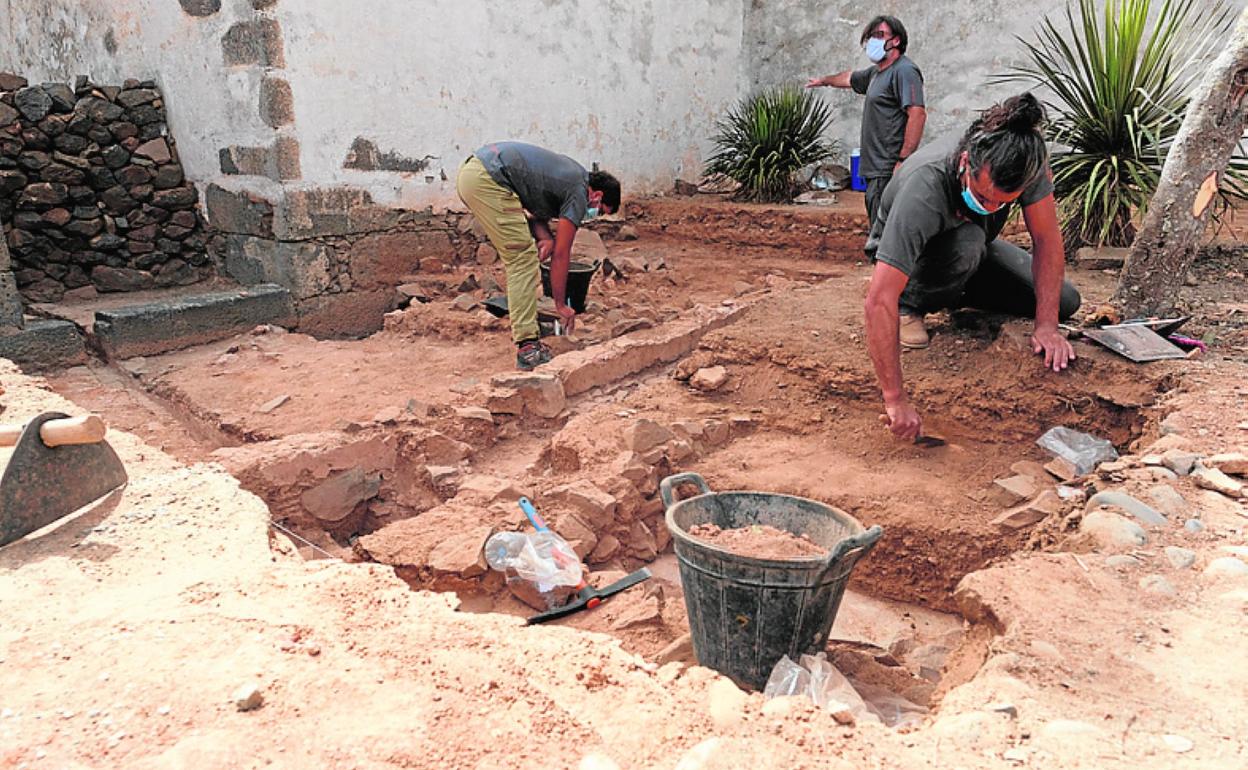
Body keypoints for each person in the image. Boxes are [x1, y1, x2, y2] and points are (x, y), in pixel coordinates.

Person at [863, 92, 1082, 442]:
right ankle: (914, 306)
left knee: (1066, 301)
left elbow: (1047, 241)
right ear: (966, 162)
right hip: (915, 263)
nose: (991, 206)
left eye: (1002, 203)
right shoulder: (925, 186)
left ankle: (958, 290)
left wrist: (1046, 327)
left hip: (974, 248)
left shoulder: (1027, 161)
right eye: (982, 197)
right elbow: (878, 299)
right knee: (966, 243)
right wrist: (895, 400)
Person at [456, 141, 621, 370]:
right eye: (600, 211)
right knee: (522, 258)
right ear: (597, 195)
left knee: (523, 253)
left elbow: (532, 204)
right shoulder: (579, 191)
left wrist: (544, 237)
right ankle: (527, 347)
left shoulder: (570, 176)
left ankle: (528, 327)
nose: (594, 215)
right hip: (488, 178)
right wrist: (561, 305)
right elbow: (562, 254)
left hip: (479, 172)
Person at [806, 15, 926, 225]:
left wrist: (903, 160)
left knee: (885, 228)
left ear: (896, 40)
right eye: (871, 36)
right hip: (874, 167)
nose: (874, 41)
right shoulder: (876, 74)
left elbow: (917, 114)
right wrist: (824, 81)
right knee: (878, 222)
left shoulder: (904, 71)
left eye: (880, 35)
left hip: (887, 167)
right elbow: (848, 78)